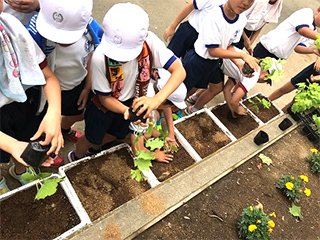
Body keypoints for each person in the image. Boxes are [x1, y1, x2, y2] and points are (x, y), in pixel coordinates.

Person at [68, 3, 186, 162]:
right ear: (104, 31)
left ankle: (97, 148)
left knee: (111, 135)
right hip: (103, 106)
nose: (122, 60)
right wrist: (125, 111)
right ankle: (77, 156)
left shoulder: (150, 43)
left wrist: (156, 99)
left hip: (131, 101)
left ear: (143, 38)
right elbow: (104, 98)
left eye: (128, 55)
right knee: (91, 138)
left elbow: (179, 71)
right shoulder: (99, 58)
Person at [0, 0, 63, 193]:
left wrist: (54, 111)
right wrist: (11, 145)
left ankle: (20, 171)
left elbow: (49, 77)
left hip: (23, 101)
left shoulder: (11, 28)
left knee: (27, 143)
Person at [26, 0, 102, 143]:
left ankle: (64, 128)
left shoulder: (91, 30)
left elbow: (92, 55)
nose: (62, 40)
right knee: (42, 120)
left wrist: (87, 87)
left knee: (79, 114)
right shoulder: (33, 32)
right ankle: (44, 143)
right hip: (44, 92)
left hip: (76, 85)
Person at [182, 0, 259, 115]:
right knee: (184, 90)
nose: (246, 3)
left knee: (216, 87)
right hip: (198, 61)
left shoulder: (241, 19)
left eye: (251, 0)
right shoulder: (214, 16)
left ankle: (186, 108)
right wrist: (242, 55)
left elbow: (229, 45)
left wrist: (239, 64)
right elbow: (213, 51)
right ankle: (171, 109)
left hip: (214, 62)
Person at [130, 68, 187, 163]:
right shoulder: (143, 110)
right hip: (121, 120)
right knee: (146, 135)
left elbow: (166, 106)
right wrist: (156, 156)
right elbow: (137, 150)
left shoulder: (154, 87)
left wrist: (169, 135)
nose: (173, 109)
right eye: (172, 105)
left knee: (152, 123)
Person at [222, 48, 284, 116]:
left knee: (217, 87)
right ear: (265, 76)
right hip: (215, 59)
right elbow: (233, 101)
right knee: (215, 88)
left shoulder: (250, 62)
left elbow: (226, 90)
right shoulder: (253, 77)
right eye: (266, 81)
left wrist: (232, 109)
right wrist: (238, 109)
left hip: (220, 53)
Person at [253, 7, 320, 60]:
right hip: (265, 49)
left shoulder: (314, 32)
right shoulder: (307, 13)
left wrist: (313, 50)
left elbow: (298, 48)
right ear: (318, 11)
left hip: (278, 58)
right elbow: (302, 30)